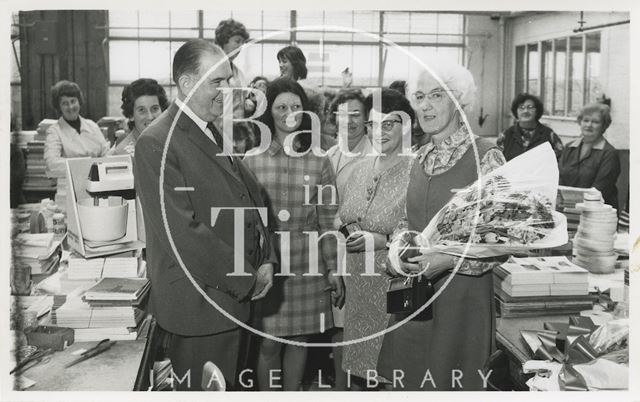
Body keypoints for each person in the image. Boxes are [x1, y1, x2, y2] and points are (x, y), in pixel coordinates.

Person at [134, 39, 275, 391]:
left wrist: (268, 257)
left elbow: (253, 196)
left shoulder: (208, 130)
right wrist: (247, 278)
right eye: (217, 82)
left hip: (231, 300)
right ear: (185, 84)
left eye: (228, 80)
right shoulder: (157, 142)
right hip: (201, 307)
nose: (228, 90)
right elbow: (183, 233)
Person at [377, 64, 506, 391]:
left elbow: (504, 240)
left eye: (437, 95)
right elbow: (406, 224)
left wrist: (448, 260)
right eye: (419, 97)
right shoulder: (417, 158)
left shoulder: (487, 157)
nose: (425, 105)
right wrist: (396, 255)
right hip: (416, 301)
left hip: (462, 304)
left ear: (459, 102)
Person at [243, 77, 345, 391]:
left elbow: (327, 221)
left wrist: (333, 269)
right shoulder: (251, 161)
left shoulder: (319, 161)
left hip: (308, 265)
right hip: (269, 266)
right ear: (268, 112)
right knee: (270, 345)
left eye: (296, 106)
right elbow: (248, 223)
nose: (290, 112)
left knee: (301, 341)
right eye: (282, 106)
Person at [339, 88, 415, 389]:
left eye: (389, 123)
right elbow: (344, 218)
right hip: (359, 287)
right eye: (373, 124)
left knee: (390, 376)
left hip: (393, 287)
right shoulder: (359, 171)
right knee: (360, 376)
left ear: (405, 125)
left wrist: (383, 240)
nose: (378, 131)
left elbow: (423, 229)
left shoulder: (417, 170)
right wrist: (350, 232)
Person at [44, 80, 110, 205]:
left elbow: (107, 153)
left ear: (79, 101)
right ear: (59, 107)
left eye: (73, 101)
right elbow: (52, 164)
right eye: (65, 103)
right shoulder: (54, 131)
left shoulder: (92, 126)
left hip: (98, 189)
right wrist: (90, 164)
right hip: (68, 194)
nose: (70, 107)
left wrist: (85, 165)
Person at [559, 102, 620, 208]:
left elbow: (600, 190)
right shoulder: (569, 148)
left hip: (597, 213)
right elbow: (559, 179)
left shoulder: (609, 154)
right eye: (585, 120)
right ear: (580, 122)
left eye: (595, 122)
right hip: (567, 208)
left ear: (604, 126)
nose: (589, 125)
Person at [110, 78, 169, 156]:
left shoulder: (168, 140)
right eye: (142, 110)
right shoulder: (125, 154)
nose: (150, 117)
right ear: (131, 115)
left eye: (155, 109)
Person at [497, 93, 564, 161]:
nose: (525, 111)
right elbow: (497, 162)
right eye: (521, 107)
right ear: (516, 111)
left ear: (537, 111)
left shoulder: (549, 135)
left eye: (530, 107)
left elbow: (561, 161)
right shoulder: (506, 135)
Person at [215, 18, 250, 118]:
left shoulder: (238, 73)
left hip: (236, 126)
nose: (240, 47)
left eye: (242, 43)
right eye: (237, 41)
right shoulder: (209, 69)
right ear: (224, 40)